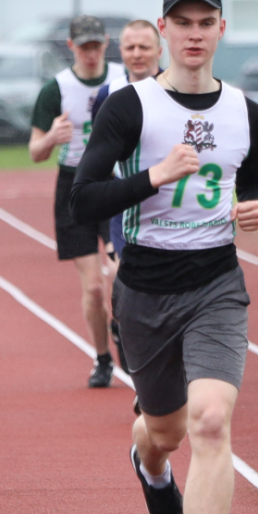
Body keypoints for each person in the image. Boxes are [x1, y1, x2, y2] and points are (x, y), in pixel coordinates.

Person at [70, 0, 258, 514]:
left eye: (204, 22)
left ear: (221, 30)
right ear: (163, 29)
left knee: (211, 422)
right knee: (165, 430)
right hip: (145, 291)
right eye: (180, 22)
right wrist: (152, 177)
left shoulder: (246, 111)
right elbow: (84, 197)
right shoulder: (132, 109)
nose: (192, 33)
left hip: (216, 285)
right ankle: (148, 460)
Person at [29, 16, 128, 388]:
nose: (90, 53)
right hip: (75, 184)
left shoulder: (123, 79)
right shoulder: (56, 90)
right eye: (83, 47)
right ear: (71, 47)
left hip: (117, 182)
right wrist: (52, 136)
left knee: (120, 274)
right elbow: (34, 152)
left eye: (96, 46)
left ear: (105, 44)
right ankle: (103, 359)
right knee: (93, 286)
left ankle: (121, 327)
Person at [90, 20, 165, 379]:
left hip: (169, 204)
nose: (137, 55)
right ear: (121, 52)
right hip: (124, 206)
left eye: (144, 47)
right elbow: (99, 160)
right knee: (124, 278)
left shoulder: (175, 89)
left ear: (159, 51)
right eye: (130, 48)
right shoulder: (108, 95)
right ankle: (128, 334)